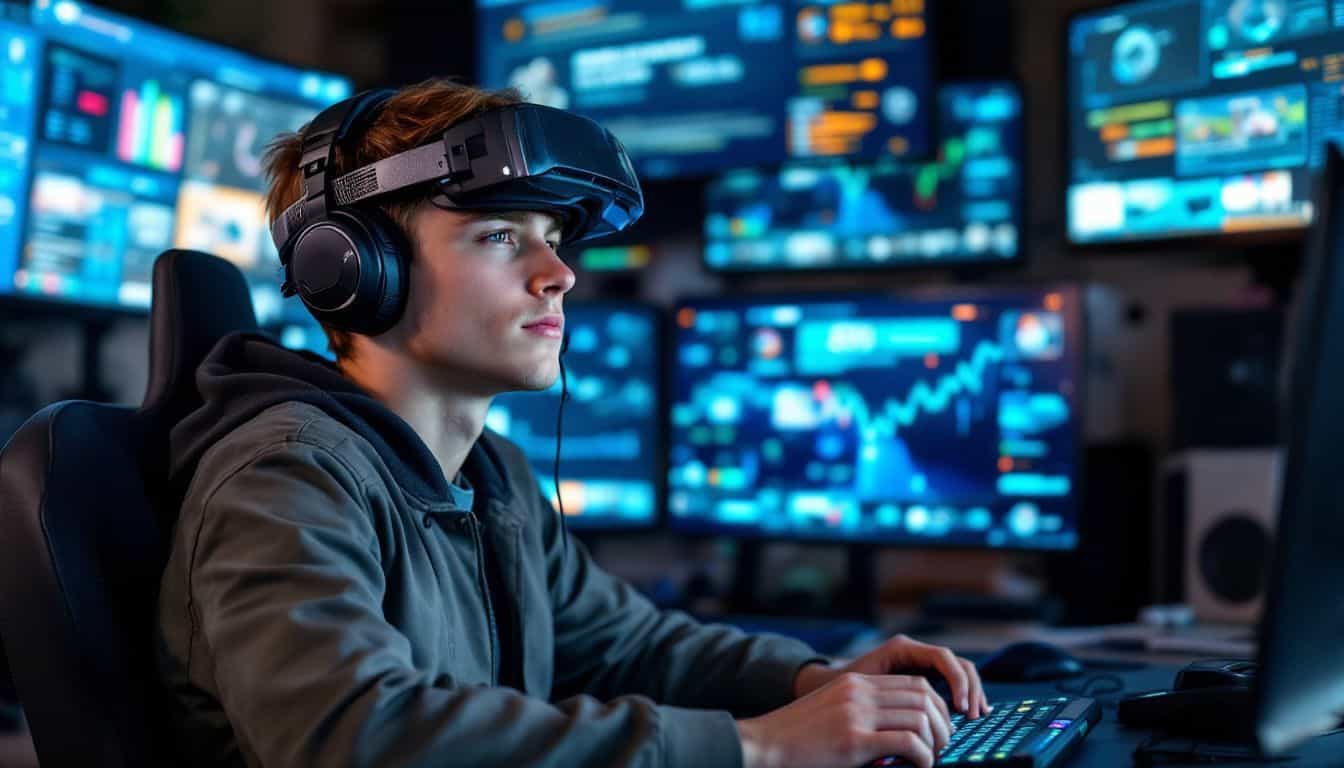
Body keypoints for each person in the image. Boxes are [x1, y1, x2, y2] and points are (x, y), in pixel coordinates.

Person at [154, 78, 989, 768]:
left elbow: (631, 646)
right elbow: (353, 737)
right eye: (498, 235)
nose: (558, 274)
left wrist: (816, 680)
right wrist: (757, 749)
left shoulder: (492, 477)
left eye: (553, 238)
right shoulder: (285, 478)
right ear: (352, 268)